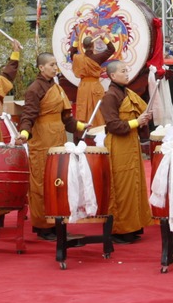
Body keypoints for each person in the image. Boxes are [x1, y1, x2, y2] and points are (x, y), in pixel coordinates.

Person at [14, 54, 78, 227]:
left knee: (59, 178)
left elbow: (66, 117)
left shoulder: (56, 87)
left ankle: (58, 219)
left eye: (56, 64)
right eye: (51, 65)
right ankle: (43, 224)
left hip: (58, 138)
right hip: (42, 140)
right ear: (41, 67)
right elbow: (28, 114)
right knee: (42, 181)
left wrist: (81, 126)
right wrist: (24, 133)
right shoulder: (35, 89)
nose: (55, 68)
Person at [96, 60, 152, 240]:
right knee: (121, 187)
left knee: (134, 183)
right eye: (122, 71)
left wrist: (143, 120)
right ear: (112, 75)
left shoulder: (127, 93)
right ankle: (120, 229)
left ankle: (133, 225)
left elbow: (136, 116)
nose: (127, 73)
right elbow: (113, 125)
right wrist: (137, 122)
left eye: (127, 70)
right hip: (118, 145)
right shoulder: (110, 96)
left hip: (131, 143)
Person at [71, 35, 115, 130]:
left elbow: (72, 53)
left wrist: (76, 41)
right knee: (98, 109)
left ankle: (84, 129)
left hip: (83, 87)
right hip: (95, 86)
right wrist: (104, 38)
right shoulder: (98, 58)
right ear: (93, 45)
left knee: (83, 108)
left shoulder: (77, 58)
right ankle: (99, 129)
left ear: (83, 46)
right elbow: (112, 49)